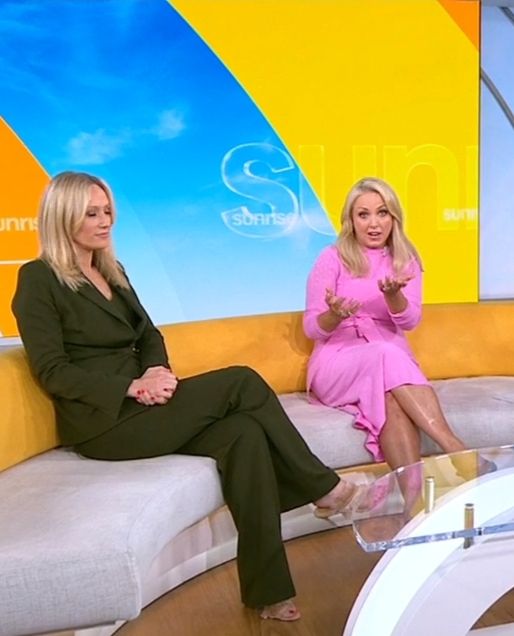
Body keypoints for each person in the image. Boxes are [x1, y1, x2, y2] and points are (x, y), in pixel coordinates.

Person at [12, 171, 365, 624]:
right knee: (241, 381)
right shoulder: (38, 279)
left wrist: (155, 371)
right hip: (104, 422)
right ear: (63, 217)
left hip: (145, 403)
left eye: (108, 211)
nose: (105, 221)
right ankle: (324, 488)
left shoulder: (112, 271)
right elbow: (52, 370)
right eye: (92, 213)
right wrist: (130, 387)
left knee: (243, 434)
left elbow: (149, 335)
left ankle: (269, 591)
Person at [304, 177, 472, 482]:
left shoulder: (405, 260)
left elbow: (410, 321)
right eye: (363, 214)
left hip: (388, 359)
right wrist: (334, 315)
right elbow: (312, 329)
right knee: (386, 353)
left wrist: (394, 296)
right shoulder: (332, 258)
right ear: (351, 221)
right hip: (337, 362)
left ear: (394, 217)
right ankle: (457, 451)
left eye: (382, 213)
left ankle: (414, 500)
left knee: (390, 399)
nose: (374, 224)